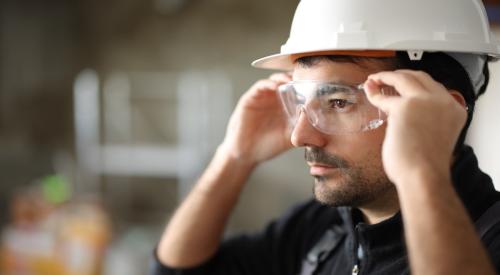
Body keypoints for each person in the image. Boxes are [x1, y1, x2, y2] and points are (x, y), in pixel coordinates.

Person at [151, 0, 500, 274]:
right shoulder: (323, 229)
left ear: (442, 110)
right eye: (301, 102)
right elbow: (180, 271)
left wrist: (421, 172)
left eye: (338, 102)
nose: (300, 136)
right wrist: (234, 157)